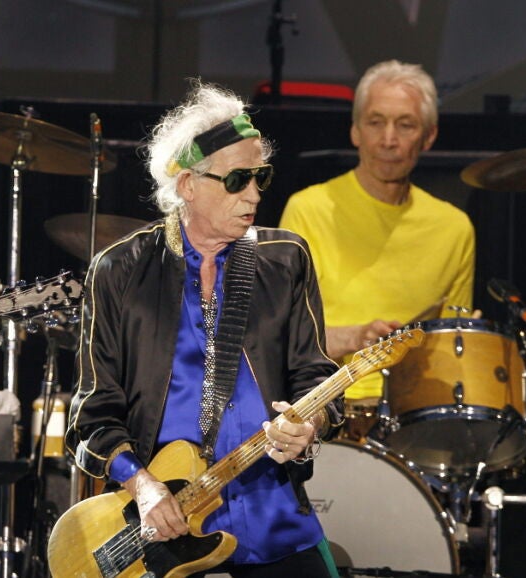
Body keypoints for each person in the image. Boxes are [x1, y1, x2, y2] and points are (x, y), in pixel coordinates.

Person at [65, 81, 345, 577]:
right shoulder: (118, 270)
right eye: (237, 180)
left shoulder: (285, 259)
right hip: (163, 526)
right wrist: (143, 486)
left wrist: (310, 425)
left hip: (275, 521)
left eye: (260, 177)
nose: (254, 194)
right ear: (187, 185)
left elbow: (317, 379)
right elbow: (91, 415)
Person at [279, 60, 475, 414]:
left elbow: (451, 353)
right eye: (375, 122)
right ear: (355, 131)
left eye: (405, 125)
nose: (388, 140)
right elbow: (280, 339)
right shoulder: (308, 210)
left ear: (429, 136)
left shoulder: (454, 228)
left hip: (413, 414)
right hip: (325, 411)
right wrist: (357, 337)